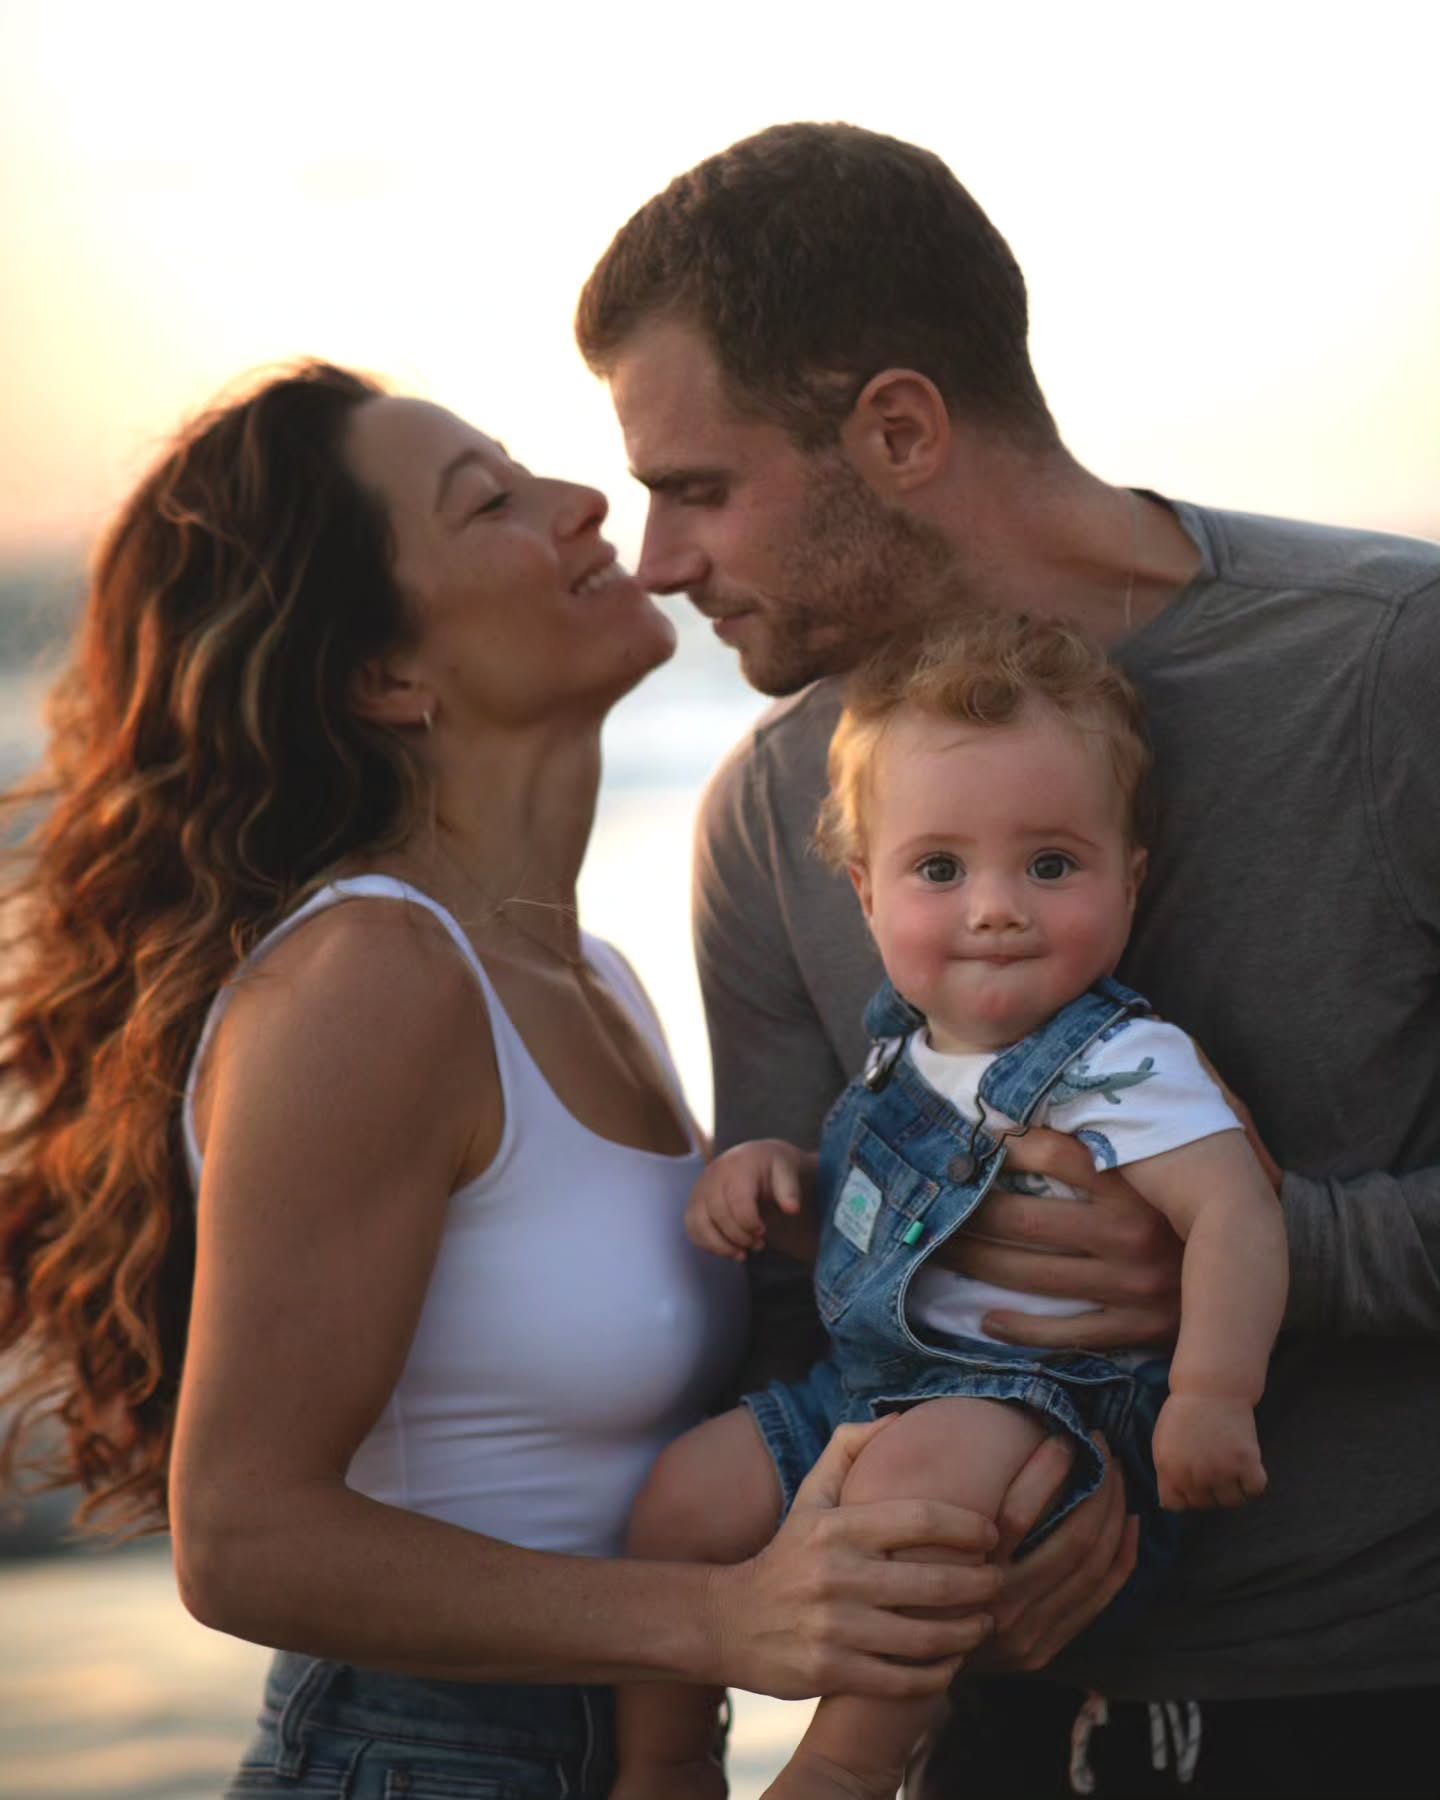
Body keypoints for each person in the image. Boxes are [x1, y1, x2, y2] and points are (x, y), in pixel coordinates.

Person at [0, 360, 1040, 1799]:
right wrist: (721, 1622)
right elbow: (242, 1537)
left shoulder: (589, 977)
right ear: (386, 675)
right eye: (490, 500)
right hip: (422, 1758)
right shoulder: (371, 978)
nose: (580, 503)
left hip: (611, 1746)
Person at [576, 122, 1440, 1796]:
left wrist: (1262, 1265)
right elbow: (794, 1319)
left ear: (897, 428)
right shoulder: (773, 812)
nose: (661, 560)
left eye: (695, 487)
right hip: (988, 1742)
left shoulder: (1392, 673)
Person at [614, 612, 1286, 1800]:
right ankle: (665, 1758)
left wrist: (1210, 1396)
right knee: (680, 1494)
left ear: (1128, 881)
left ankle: (845, 1769)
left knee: (910, 1502)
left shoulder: (1121, 1062)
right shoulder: (903, 1049)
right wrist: (773, 1179)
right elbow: (907, 1232)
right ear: (865, 893)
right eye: (940, 869)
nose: (994, 908)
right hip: (870, 1390)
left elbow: (1235, 1211)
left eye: (1049, 865)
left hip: (1043, 1415)